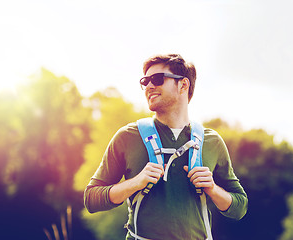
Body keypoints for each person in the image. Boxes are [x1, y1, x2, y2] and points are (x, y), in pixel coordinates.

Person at [84, 54, 248, 240]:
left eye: (157, 79)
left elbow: (240, 207)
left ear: (183, 85)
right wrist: (136, 182)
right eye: (144, 82)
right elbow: (91, 199)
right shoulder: (127, 137)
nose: (149, 86)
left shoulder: (212, 142)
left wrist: (212, 188)